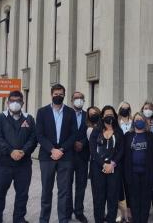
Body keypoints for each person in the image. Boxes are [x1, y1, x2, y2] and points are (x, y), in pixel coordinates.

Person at [0, 90, 37, 223]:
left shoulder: (29, 118)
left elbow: (33, 138)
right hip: (3, 164)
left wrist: (23, 151)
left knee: (22, 194)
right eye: (12, 101)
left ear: (23, 102)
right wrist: (11, 151)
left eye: (18, 101)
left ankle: (19, 219)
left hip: (23, 165)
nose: (15, 103)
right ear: (7, 103)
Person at [35, 84, 78, 223]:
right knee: (46, 191)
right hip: (47, 156)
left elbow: (74, 134)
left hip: (65, 156)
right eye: (55, 93)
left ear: (64, 95)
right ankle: (44, 220)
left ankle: (63, 220)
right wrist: (52, 149)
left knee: (64, 192)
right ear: (51, 94)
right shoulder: (42, 112)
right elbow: (39, 134)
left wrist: (62, 150)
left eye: (61, 94)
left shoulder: (70, 112)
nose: (58, 96)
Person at [124, 112, 153, 223]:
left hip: (147, 173)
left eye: (141, 119)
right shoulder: (128, 136)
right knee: (134, 200)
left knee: (145, 201)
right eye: (136, 119)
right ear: (133, 122)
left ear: (145, 121)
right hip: (132, 174)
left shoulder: (150, 136)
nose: (139, 121)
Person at [89, 105, 124, 223]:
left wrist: (112, 164)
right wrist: (103, 164)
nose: (109, 117)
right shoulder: (96, 131)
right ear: (102, 116)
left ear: (115, 116)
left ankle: (111, 220)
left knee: (112, 199)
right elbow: (93, 150)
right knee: (99, 198)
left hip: (114, 169)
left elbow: (121, 150)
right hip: (98, 169)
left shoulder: (119, 132)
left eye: (111, 115)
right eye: (106, 115)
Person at [66, 91, 89, 222]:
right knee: (67, 185)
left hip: (83, 155)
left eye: (81, 98)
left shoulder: (88, 116)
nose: (79, 100)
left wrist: (83, 143)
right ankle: (67, 211)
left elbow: (92, 132)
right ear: (71, 100)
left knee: (81, 185)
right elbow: (63, 132)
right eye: (76, 98)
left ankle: (79, 211)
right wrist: (73, 143)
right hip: (68, 155)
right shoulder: (65, 114)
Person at [117, 101, 132, 223]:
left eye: (127, 108)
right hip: (118, 159)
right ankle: (122, 214)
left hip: (131, 159)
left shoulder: (134, 123)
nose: (125, 110)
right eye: (123, 108)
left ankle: (130, 213)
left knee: (129, 186)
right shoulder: (116, 124)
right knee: (119, 188)